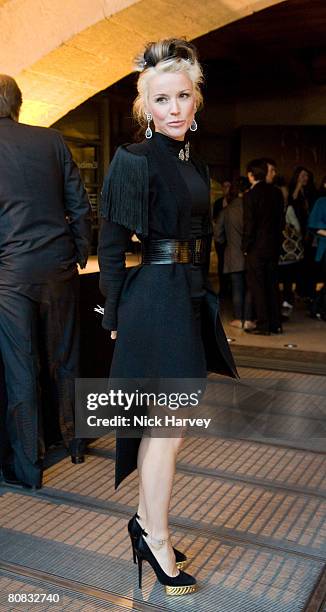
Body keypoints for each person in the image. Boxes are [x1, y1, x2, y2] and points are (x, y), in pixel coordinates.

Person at [98, 38, 237, 595]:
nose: (175, 108)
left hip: (184, 297)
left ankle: (145, 524)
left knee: (168, 431)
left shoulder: (193, 161)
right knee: (167, 429)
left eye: (183, 96)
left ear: (196, 100)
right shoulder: (133, 159)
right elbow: (110, 243)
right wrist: (114, 310)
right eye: (162, 100)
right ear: (145, 107)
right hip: (154, 301)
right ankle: (155, 538)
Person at [0, 75, 91, 489]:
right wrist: (76, 253)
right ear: (18, 102)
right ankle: (74, 443)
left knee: (22, 369)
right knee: (66, 358)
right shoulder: (51, 140)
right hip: (58, 267)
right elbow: (80, 203)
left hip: (11, 274)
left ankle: (29, 467)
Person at [243, 159, 284, 335]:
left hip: (257, 248)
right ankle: (276, 324)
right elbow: (280, 222)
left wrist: (246, 246)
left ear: (251, 175)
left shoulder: (250, 195)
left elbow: (250, 225)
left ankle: (263, 324)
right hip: (273, 246)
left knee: (258, 287)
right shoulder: (277, 193)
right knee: (272, 285)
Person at [214, 177, 255, 330]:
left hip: (232, 254)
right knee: (250, 288)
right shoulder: (252, 209)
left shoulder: (227, 210)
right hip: (251, 254)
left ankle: (238, 318)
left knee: (237, 288)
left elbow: (218, 235)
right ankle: (249, 319)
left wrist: (227, 241)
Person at [288, 166, 318, 300]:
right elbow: (291, 202)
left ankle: (308, 291)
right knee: (299, 262)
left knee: (310, 261)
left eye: (306, 176)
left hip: (310, 231)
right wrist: (298, 187)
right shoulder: (293, 190)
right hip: (296, 231)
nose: (305, 178)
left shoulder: (312, 192)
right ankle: (300, 290)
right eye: (302, 175)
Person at [308, 177, 326, 320]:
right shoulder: (321, 202)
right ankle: (318, 308)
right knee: (321, 281)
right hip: (324, 248)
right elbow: (313, 224)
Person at [212, 180, 232, 296]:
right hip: (221, 238)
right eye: (224, 186)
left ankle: (230, 288)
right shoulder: (218, 203)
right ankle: (223, 288)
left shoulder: (234, 201)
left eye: (228, 186)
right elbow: (215, 219)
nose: (226, 189)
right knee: (221, 263)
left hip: (231, 238)